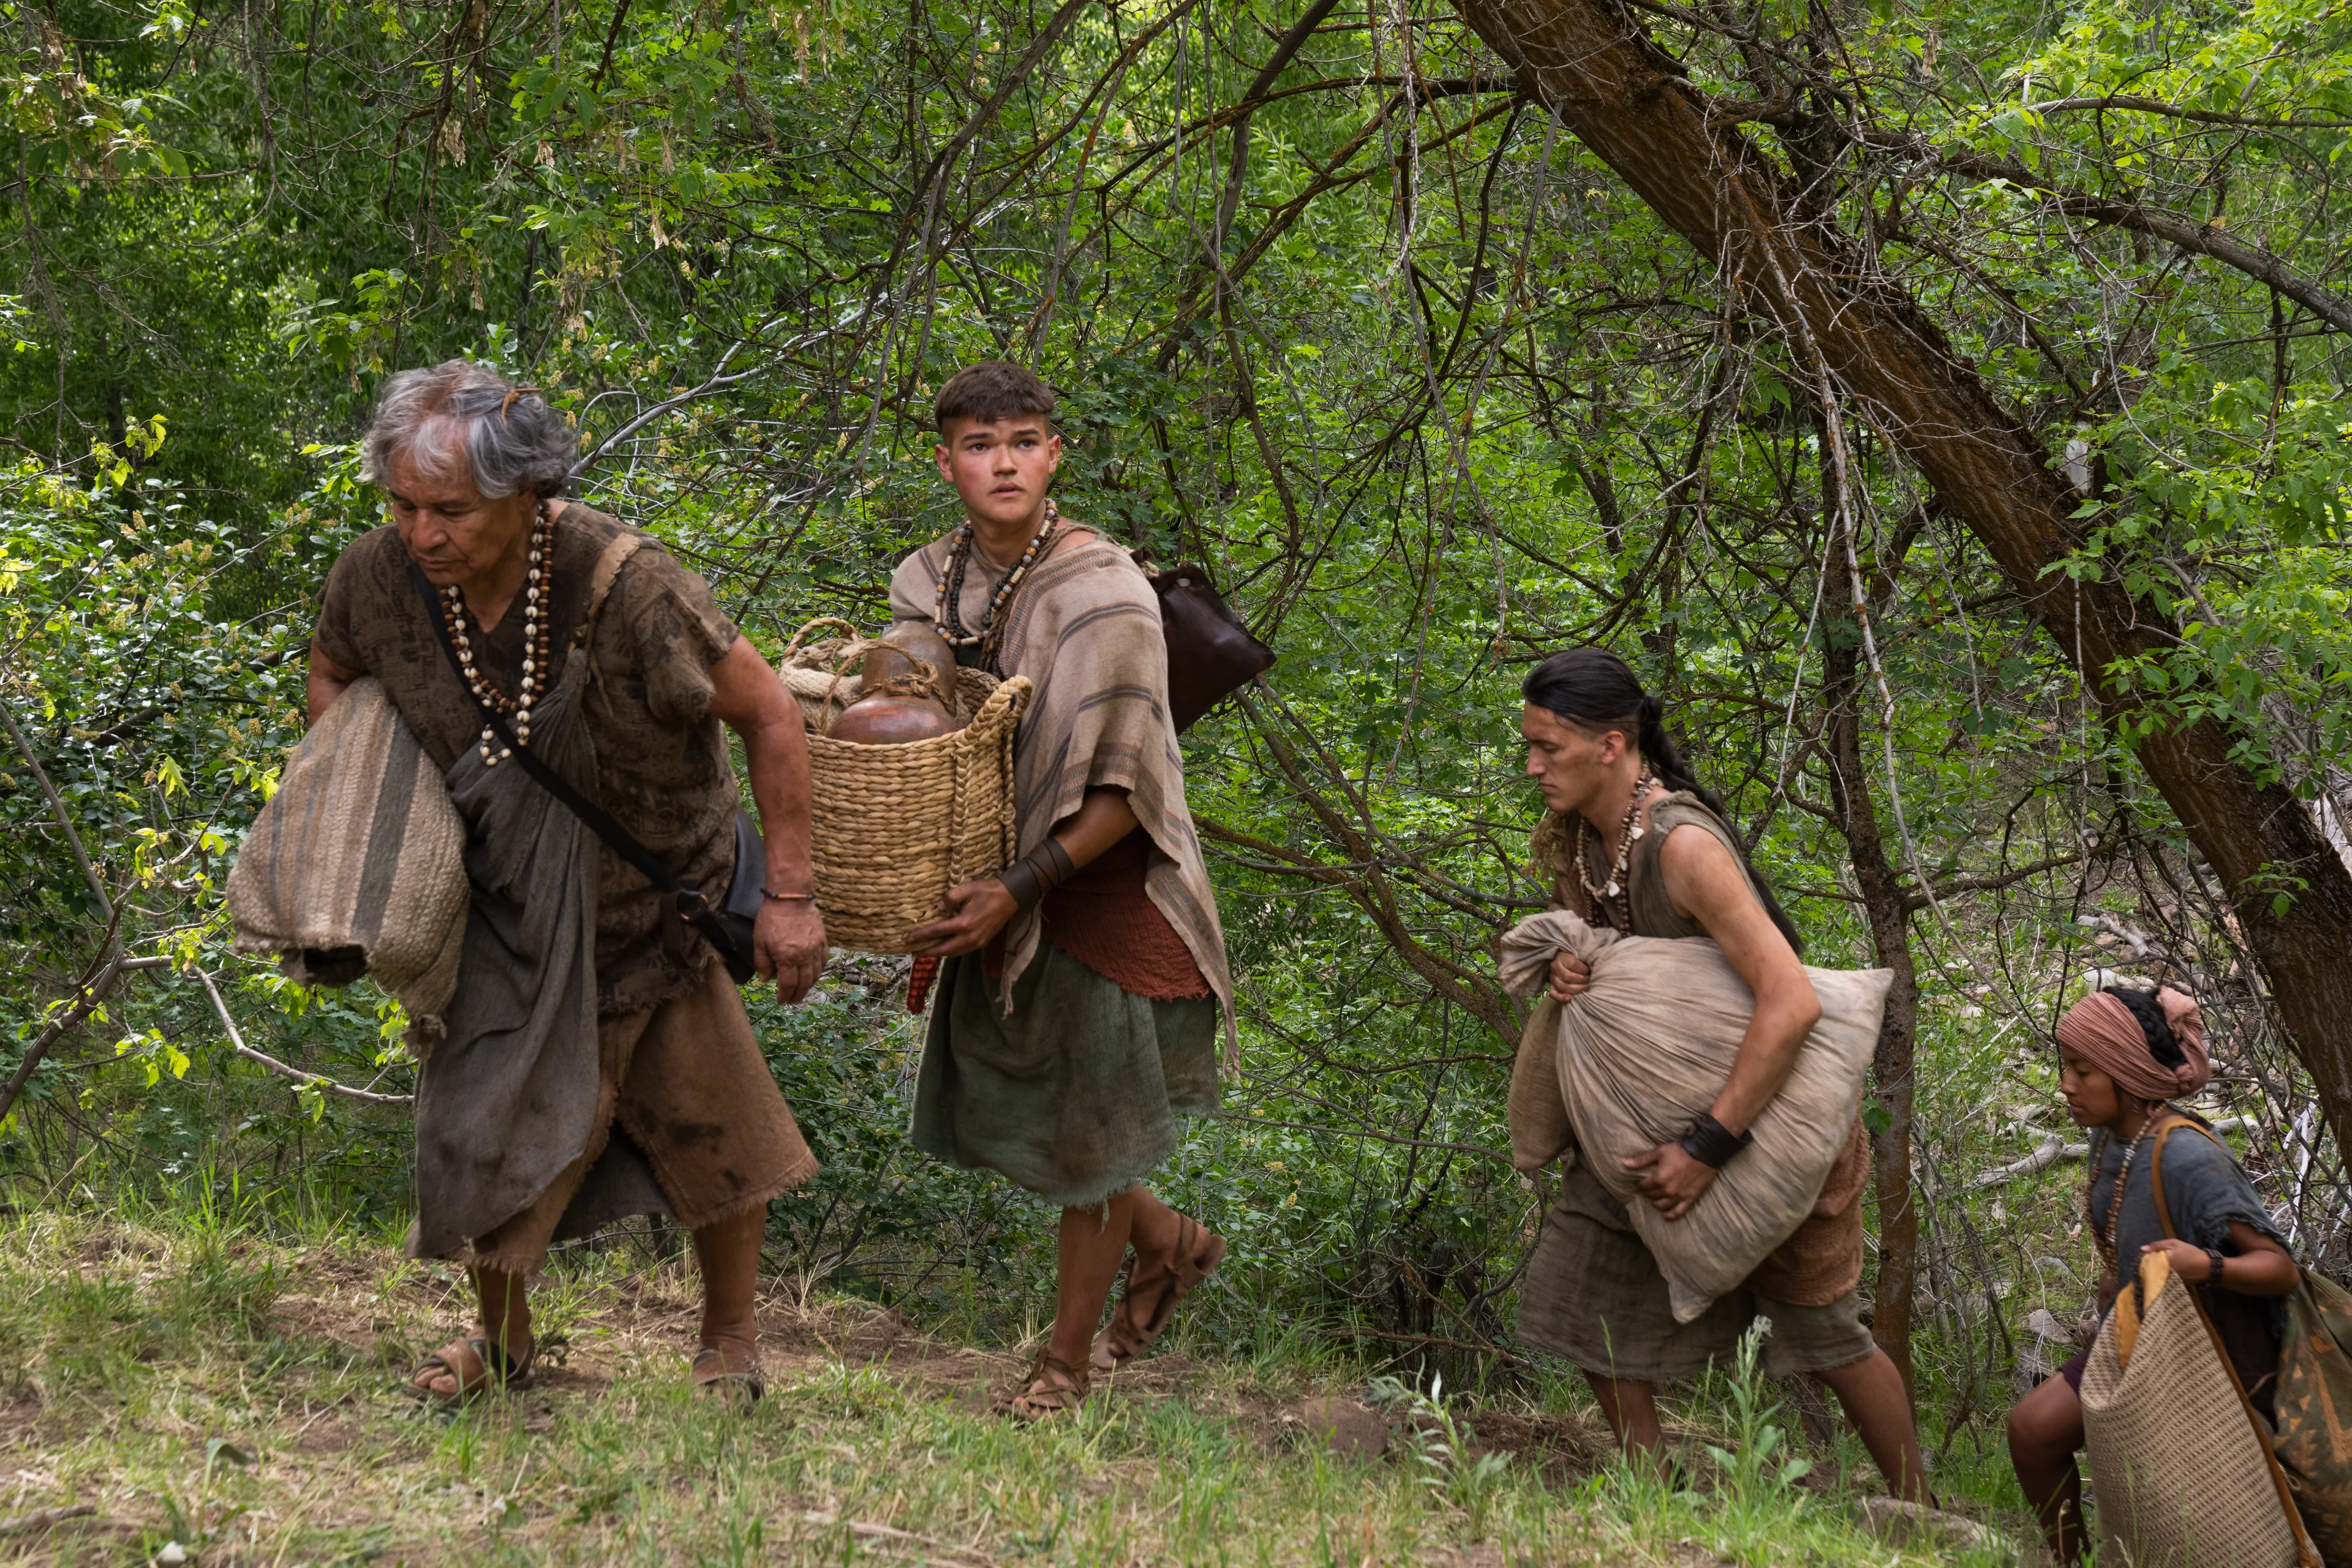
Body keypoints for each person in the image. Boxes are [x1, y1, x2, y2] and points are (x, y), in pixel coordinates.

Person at [306, 361, 829, 1404]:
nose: (422, 533)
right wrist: (371, 807)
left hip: (654, 904)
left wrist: (794, 896)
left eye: (449, 509)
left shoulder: (630, 585)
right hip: (496, 910)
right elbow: (332, 671)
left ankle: (730, 1338)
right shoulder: (376, 577)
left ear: (524, 493)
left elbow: (769, 712)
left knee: (714, 1121)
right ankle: (501, 1342)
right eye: (403, 506)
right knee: (478, 1121)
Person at [892, 361, 1237, 1419]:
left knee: (1090, 1139)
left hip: (1103, 885)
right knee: (1044, 1113)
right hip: (995, 876)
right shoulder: (928, 577)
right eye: (980, 443)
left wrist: (1018, 883)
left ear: (1055, 455)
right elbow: (913, 714)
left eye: (1024, 440)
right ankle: (1173, 1245)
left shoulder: (1108, 592)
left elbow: (1134, 792)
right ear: (946, 458)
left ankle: (1063, 1368)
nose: (1004, 462)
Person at [1513, 647, 1932, 1501]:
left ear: (1612, 744)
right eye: (1530, 744)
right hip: (1645, 1116)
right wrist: (1573, 968)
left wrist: (1709, 1147)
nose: (1532, 765)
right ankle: (1650, 1491)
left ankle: (1923, 1512)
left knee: (1825, 1331)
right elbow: (1616, 961)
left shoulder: (1684, 845)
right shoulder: (1579, 839)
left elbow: (1789, 1001)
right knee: (1581, 1286)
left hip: (1763, 1119)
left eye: (1550, 747)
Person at [2005, 984, 2298, 1565]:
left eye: (2083, 1070)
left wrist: (2205, 1265)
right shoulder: (2110, 1136)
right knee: (2034, 1432)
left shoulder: (2191, 1156)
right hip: (2138, 1337)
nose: (2066, 1085)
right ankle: (2073, 1560)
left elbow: (2280, 1269)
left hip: (2204, 1357)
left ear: (2127, 1072)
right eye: (2066, 1066)